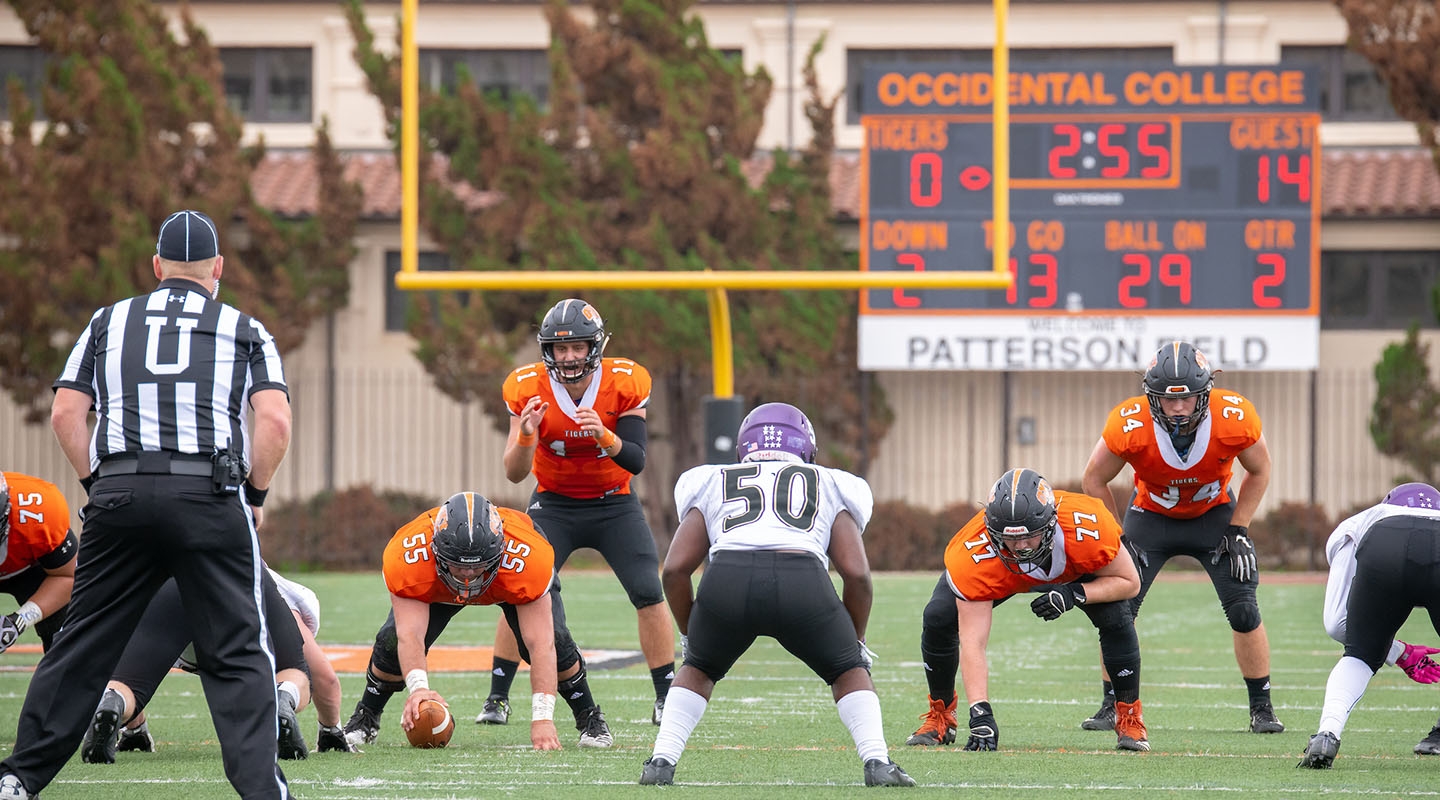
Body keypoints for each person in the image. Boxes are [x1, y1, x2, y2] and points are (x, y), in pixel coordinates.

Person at [0, 209, 293, 800]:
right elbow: (275, 422)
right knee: (238, 651)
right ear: (217, 270)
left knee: (83, 640)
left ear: (157, 267)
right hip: (208, 493)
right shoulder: (244, 327)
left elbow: (65, 412)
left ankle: (18, 778)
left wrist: (97, 485)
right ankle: (263, 790)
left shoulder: (109, 320)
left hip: (121, 491)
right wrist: (254, 494)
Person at [640, 402, 915, 787]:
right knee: (848, 671)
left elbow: (673, 570)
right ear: (808, 451)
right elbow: (857, 575)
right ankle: (877, 763)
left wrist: (693, 634)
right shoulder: (832, 482)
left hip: (727, 582)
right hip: (801, 580)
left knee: (698, 668)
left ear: (742, 449)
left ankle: (661, 762)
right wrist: (856, 640)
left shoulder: (710, 479)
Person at [479, 298, 675, 728]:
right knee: (523, 590)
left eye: (578, 347)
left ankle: (666, 695)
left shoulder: (625, 380)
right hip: (555, 502)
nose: (569, 357)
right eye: (560, 348)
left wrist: (605, 435)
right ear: (548, 350)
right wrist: (527, 434)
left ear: (595, 347)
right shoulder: (526, 386)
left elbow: (637, 459)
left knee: (647, 590)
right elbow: (514, 474)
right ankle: (497, 696)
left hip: (614, 501)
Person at [1080, 340, 1282, 734]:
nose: (1177, 408)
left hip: (1215, 516)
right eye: (1168, 400)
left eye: (1187, 398)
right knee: (1118, 609)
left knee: (1243, 607)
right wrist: (1117, 535)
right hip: (1150, 517)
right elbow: (1094, 477)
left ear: (1205, 392)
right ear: (1150, 396)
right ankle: (1113, 703)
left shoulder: (1233, 416)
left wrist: (1239, 527)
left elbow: (1260, 469)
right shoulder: (1130, 423)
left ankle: (1262, 706)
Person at [341, 490, 611, 750]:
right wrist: (419, 690)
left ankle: (588, 715)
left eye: (477, 566)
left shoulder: (526, 557)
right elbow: (409, 635)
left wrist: (542, 718)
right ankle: (367, 715)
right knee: (389, 642)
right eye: (458, 566)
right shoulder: (410, 555)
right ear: (436, 550)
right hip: (440, 586)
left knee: (557, 641)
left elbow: (542, 645)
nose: (468, 577)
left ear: (499, 551)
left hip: (504, 579)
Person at [905, 467, 1149, 753]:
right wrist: (980, 712)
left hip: (1071, 569)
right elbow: (973, 640)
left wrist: (1075, 594)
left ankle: (1130, 716)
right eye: (1009, 538)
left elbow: (1130, 583)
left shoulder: (1087, 527)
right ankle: (941, 716)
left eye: (1029, 536)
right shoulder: (974, 553)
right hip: (1002, 573)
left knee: (1116, 615)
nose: (1020, 547)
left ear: (1050, 523)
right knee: (938, 616)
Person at [78, 567, 356, 763]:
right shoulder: (286, 592)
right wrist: (331, 730)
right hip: (246, 584)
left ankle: (114, 701)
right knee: (294, 673)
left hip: (173, 586)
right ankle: (283, 697)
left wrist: (133, 729)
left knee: (126, 684)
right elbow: (324, 677)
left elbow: (124, 660)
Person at [1298, 482, 1440, 768]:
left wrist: (1392, 651)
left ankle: (1327, 734)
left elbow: (1338, 624)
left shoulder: (1361, 521)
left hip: (1384, 545)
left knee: (1359, 656)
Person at [0, 471, 78, 656]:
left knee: (68, 630)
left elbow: (68, 576)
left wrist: (18, 622)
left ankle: (62, 682)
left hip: (28, 568)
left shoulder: (40, 510)